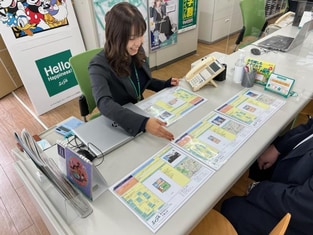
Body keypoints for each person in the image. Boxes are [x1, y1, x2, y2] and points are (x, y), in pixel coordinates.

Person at [88, 2, 179, 141]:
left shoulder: (136, 50)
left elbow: (139, 80)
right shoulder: (98, 65)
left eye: (140, 35)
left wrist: (163, 84)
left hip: (140, 110)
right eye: (131, 38)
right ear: (115, 37)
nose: (139, 42)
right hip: (120, 121)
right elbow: (104, 103)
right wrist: (144, 123)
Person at [221, 117, 313, 235]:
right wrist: (278, 148)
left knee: (232, 208)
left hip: (299, 215)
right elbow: (308, 127)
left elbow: (300, 203)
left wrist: (257, 188)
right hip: (298, 167)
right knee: (255, 149)